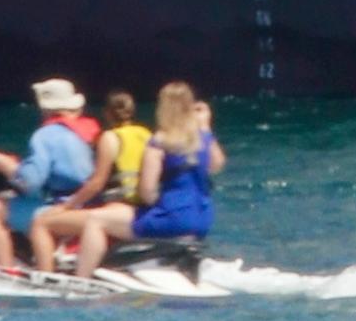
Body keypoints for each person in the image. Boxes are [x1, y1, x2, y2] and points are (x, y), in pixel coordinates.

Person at [0, 78, 95, 275]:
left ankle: (7, 271)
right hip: (83, 204)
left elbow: (30, 182)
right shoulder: (86, 133)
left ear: (45, 109)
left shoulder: (45, 135)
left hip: (56, 206)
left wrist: (5, 165)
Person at [33, 88, 154, 278]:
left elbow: (96, 183)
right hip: (143, 208)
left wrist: (66, 206)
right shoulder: (146, 135)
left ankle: (45, 276)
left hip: (116, 208)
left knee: (41, 223)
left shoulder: (111, 138)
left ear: (106, 113)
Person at [123, 81, 220, 275]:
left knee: (96, 221)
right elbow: (216, 164)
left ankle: (85, 275)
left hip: (172, 218)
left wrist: (149, 203)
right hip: (202, 218)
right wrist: (205, 126)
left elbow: (147, 191)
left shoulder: (159, 141)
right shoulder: (202, 137)